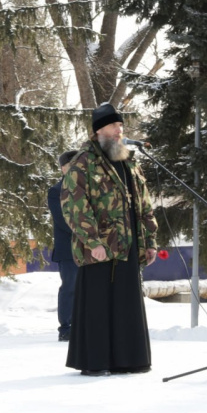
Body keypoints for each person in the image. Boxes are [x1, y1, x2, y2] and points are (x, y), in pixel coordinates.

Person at [61, 103, 158, 376]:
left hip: (128, 246)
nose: (119, 131)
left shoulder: (129, 161)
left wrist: (149, 241)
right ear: (99, 130)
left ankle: (130, 359)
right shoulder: (83, 162)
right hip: (100, 248)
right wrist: (93, 243)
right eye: (114, 126)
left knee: (127, 305)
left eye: (121, 126)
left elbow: (144, 204)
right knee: (98, 306)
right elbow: (74, 207)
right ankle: (96, 362)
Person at [47, 150, 78, 342]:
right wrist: (88, 234)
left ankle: (84, 323)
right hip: (69, 249)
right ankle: (66, 326)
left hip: (90, 249)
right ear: (63, 168)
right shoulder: (56, 191)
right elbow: (63, 220)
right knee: (70, 287)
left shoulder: (87, 188)